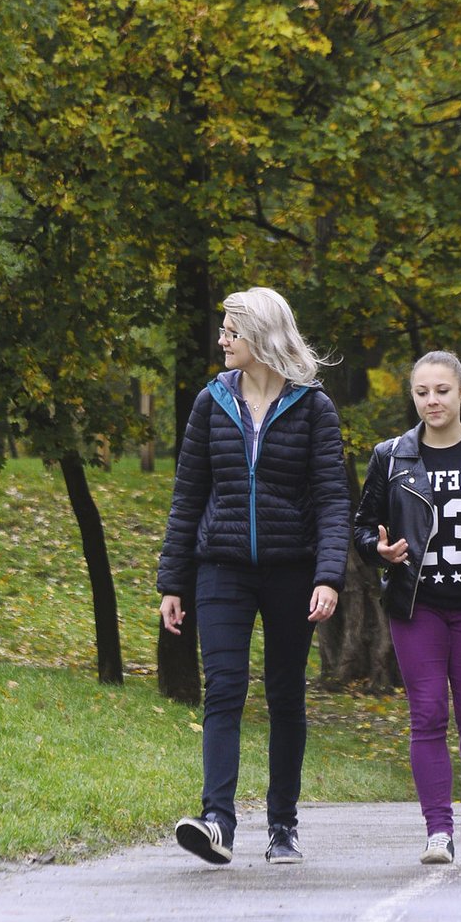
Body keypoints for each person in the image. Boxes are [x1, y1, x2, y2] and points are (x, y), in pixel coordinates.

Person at [157, 287, 350, 867]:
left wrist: (329, 575)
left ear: (261, 337)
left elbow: (333, 501)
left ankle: (283, 825)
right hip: (221, 568)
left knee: (286, 695)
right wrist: (174, 580)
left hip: (293, 571)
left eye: (231, 331)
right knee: (224, 689)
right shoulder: (209, 402)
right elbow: (188, 495)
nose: (221, 340)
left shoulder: (313, 408)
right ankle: (217, 821)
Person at [353, 350, 461, 866]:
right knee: (427, 715)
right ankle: (437, 830)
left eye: (442, 391)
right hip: (417, 606)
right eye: (422, 392)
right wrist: (378, 551)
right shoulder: (391, 457)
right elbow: (364, 527)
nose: (432, 401)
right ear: (413, 397)